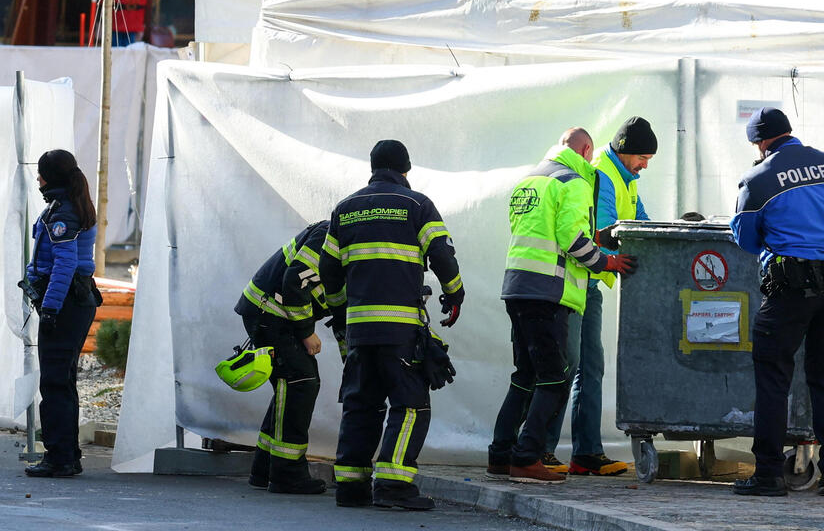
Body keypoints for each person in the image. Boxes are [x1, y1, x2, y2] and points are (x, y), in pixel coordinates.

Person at [730, 108, 824, 497]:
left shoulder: (758, 179)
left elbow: (745, 238)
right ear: (789, 133)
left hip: (790, 289)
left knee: (773, 376)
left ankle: (768, 475)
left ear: (759, 143)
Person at [319, 140, 464, 510]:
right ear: (406, 169)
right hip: (400, 329)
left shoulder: (345, 209)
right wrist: (454, 295)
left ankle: (351, 487)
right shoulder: (417, 205)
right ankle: (393, 486)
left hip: (359, 331)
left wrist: (341, 315)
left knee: (360, 404)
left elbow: (328, 272)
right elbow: (442, 256)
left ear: (372, 168)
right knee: (411, 405)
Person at [488, 128, 637, 484]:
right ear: (587, 150)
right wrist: (607, 262)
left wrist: (596, 238)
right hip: (548, 292)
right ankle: (526, 457)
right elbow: (571, 239)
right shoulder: (575, 181)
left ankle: (500, 455)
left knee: (525, 377)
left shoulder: (532, 180)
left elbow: (542, 231)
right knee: (555, 378)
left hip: (517, 286)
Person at [542, 116, 657, 477]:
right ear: (624, 151)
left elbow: (639, 220)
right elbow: (603, 232)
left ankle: (586, 453)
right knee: (567, 366)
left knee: (590, 366)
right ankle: (539, 450)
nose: (645, 165)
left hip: (589, 283)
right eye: (642, 157)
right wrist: (616, 258)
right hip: (574, 282)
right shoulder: (603, 174)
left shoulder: (627, 177)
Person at [234, 219, 344, 495]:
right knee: (301, 382)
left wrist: (351, 361)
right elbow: (295, 280)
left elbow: (343, 313)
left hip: (271, 313)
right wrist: (307, 332)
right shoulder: (334, 235)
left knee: (292, 385)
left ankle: (265, 468)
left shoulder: (356, 248)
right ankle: (286, 473)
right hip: (269, 312)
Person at [23, 150, 100, 478]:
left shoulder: (62, 213)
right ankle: (67, 454)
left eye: (41, 174)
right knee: (62, 380)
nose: (38, 180)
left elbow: (65, 264)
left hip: (67, 303)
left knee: (54, 382)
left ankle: (59, 459)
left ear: (51, 177)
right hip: (73, 301)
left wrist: (51, 308)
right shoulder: (64, 205)